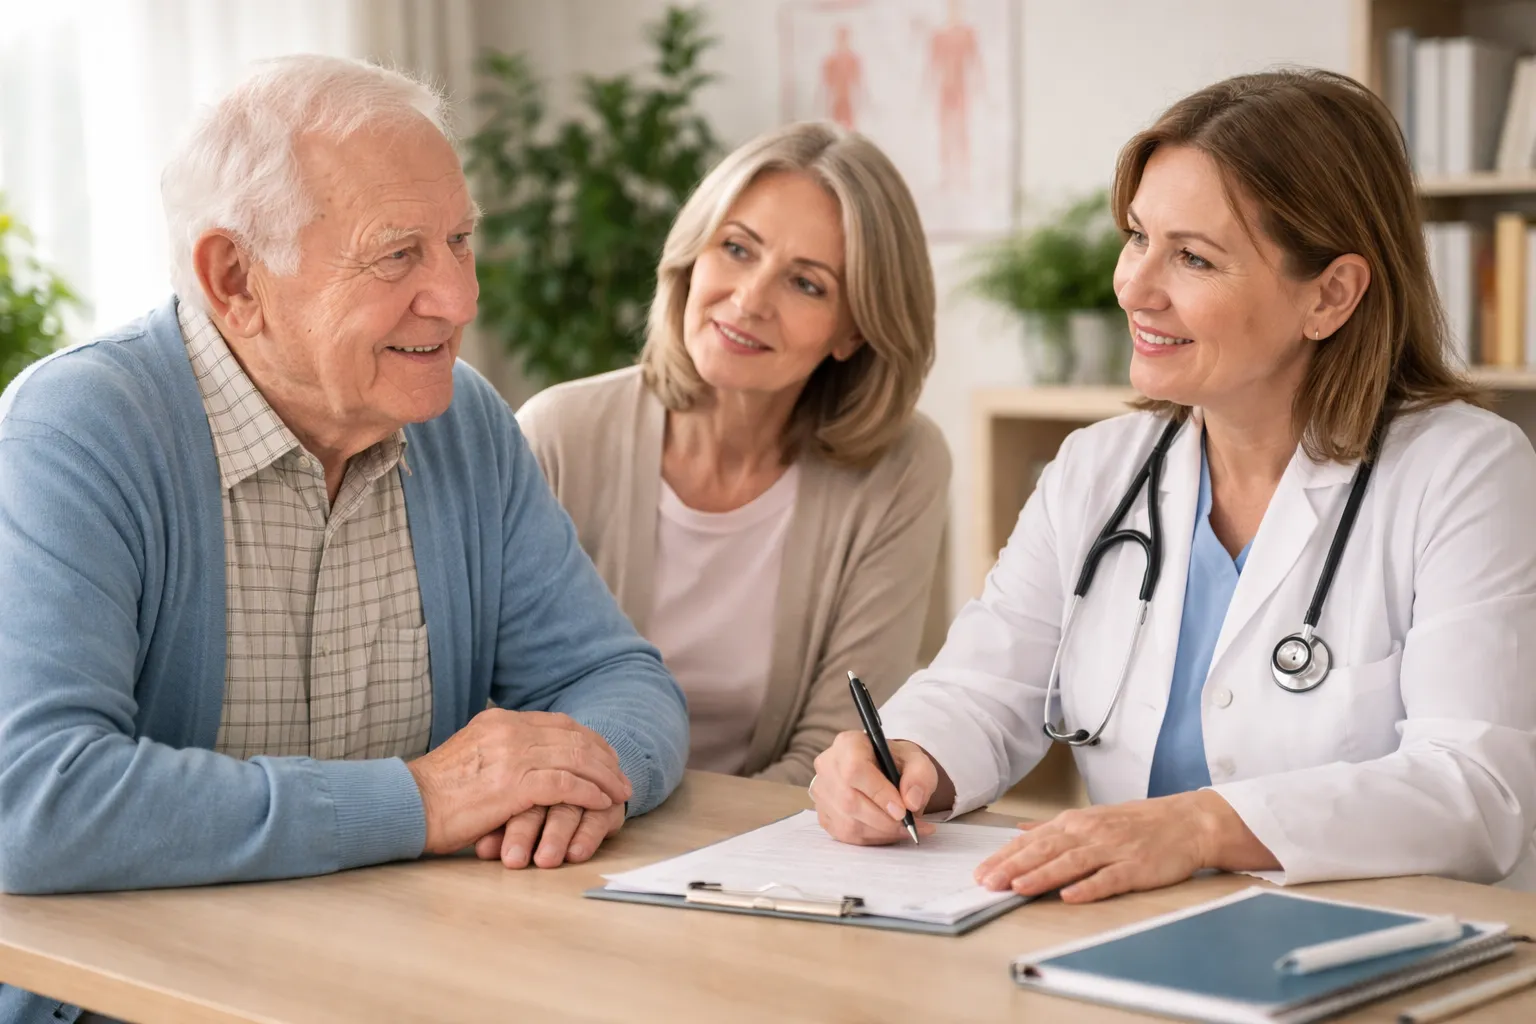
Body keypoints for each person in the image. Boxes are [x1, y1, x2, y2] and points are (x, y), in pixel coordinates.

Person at [811, 68, 1536, 899]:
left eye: (1192, 257)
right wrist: (907, 758)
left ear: (1331, 295)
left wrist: (1198, 826)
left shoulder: (1466, 473)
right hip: (1128, 932)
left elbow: (1478, 790)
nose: (1134, 287)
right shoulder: (1099, 470)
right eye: (1136, 237)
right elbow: (985, 684)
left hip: (1372, 946)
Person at [0, 54, 690, 917]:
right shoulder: (82, 430)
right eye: (398, 254)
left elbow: (618, 679)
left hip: (400, 971)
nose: (459, 297)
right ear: (236, 280)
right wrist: (424, 800)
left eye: (460, 241)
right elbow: (34, 802)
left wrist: (578, 778)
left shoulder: (463, 422)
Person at [517, 121, 949, 785]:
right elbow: (503, 714)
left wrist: (691, 850)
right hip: (558, 833)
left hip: (770, 851)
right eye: (737, 249)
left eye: (806, 284)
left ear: (855, 329)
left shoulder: (901, 465)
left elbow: (836, 755)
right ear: (693, 256)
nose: (749, 301)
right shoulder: (559, 434)